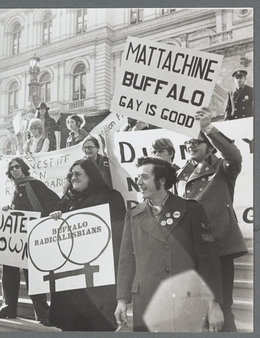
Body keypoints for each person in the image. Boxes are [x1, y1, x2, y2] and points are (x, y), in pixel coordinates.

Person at [115, 156, 224, 332]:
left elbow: (208, 262)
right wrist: (122, 300)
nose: (138, 183)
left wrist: (214, 304)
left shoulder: (191, 210)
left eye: (144, 177)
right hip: (147, 304)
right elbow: (126, 261)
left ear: (162, 179)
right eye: (137, 178)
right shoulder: (133, 215)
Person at [176, 108, 247, 332]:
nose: (191, 145)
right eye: (188, 142)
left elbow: (234, 156)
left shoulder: (222, 168)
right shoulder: (181, 173)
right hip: (190, 250)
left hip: (218, 247)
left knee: (221, 310)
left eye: (197, 141)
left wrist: (208, 127)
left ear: (209, 146)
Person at [48, 158, 126, 331]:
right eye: (71, 174)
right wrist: (55, 219)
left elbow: (118, 236)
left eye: (78, 174)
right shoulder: (67, 200)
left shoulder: (110, 197)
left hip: (97, 281)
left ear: (91, 175)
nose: (73, 178)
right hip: (71, 284)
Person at [0, 157, 60, 326]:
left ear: (24, 168)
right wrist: (9, 210)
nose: (14, 169)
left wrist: (44, 219)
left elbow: (54, 201)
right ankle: (9, 307)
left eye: (17, 166)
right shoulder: (15, 188)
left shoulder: (34, 184)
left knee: (33, 274)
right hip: (15, 237)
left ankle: (42, 313)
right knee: (8, 270)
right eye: (12, 168)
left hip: (33, 235)